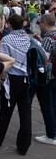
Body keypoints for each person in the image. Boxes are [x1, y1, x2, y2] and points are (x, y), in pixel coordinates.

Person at [0, 15, 35, 155]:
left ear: (10, 25)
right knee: (25, 113)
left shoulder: (7, 40)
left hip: (12, 79)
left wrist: (2, 81)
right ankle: (24, 145)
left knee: (5, 112)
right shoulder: (29, 39)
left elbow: (3, 64)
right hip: (26, 79)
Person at [31, 14, 56, 145]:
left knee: (47, 106)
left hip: (47, 77)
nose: (39, 25)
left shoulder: (48, 38)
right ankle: (54, 133)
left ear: (45, 23)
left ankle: (51, 135)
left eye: (39, 22)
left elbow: (44, 60)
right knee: (54, 104)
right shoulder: (54, 36)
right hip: (55, 75)